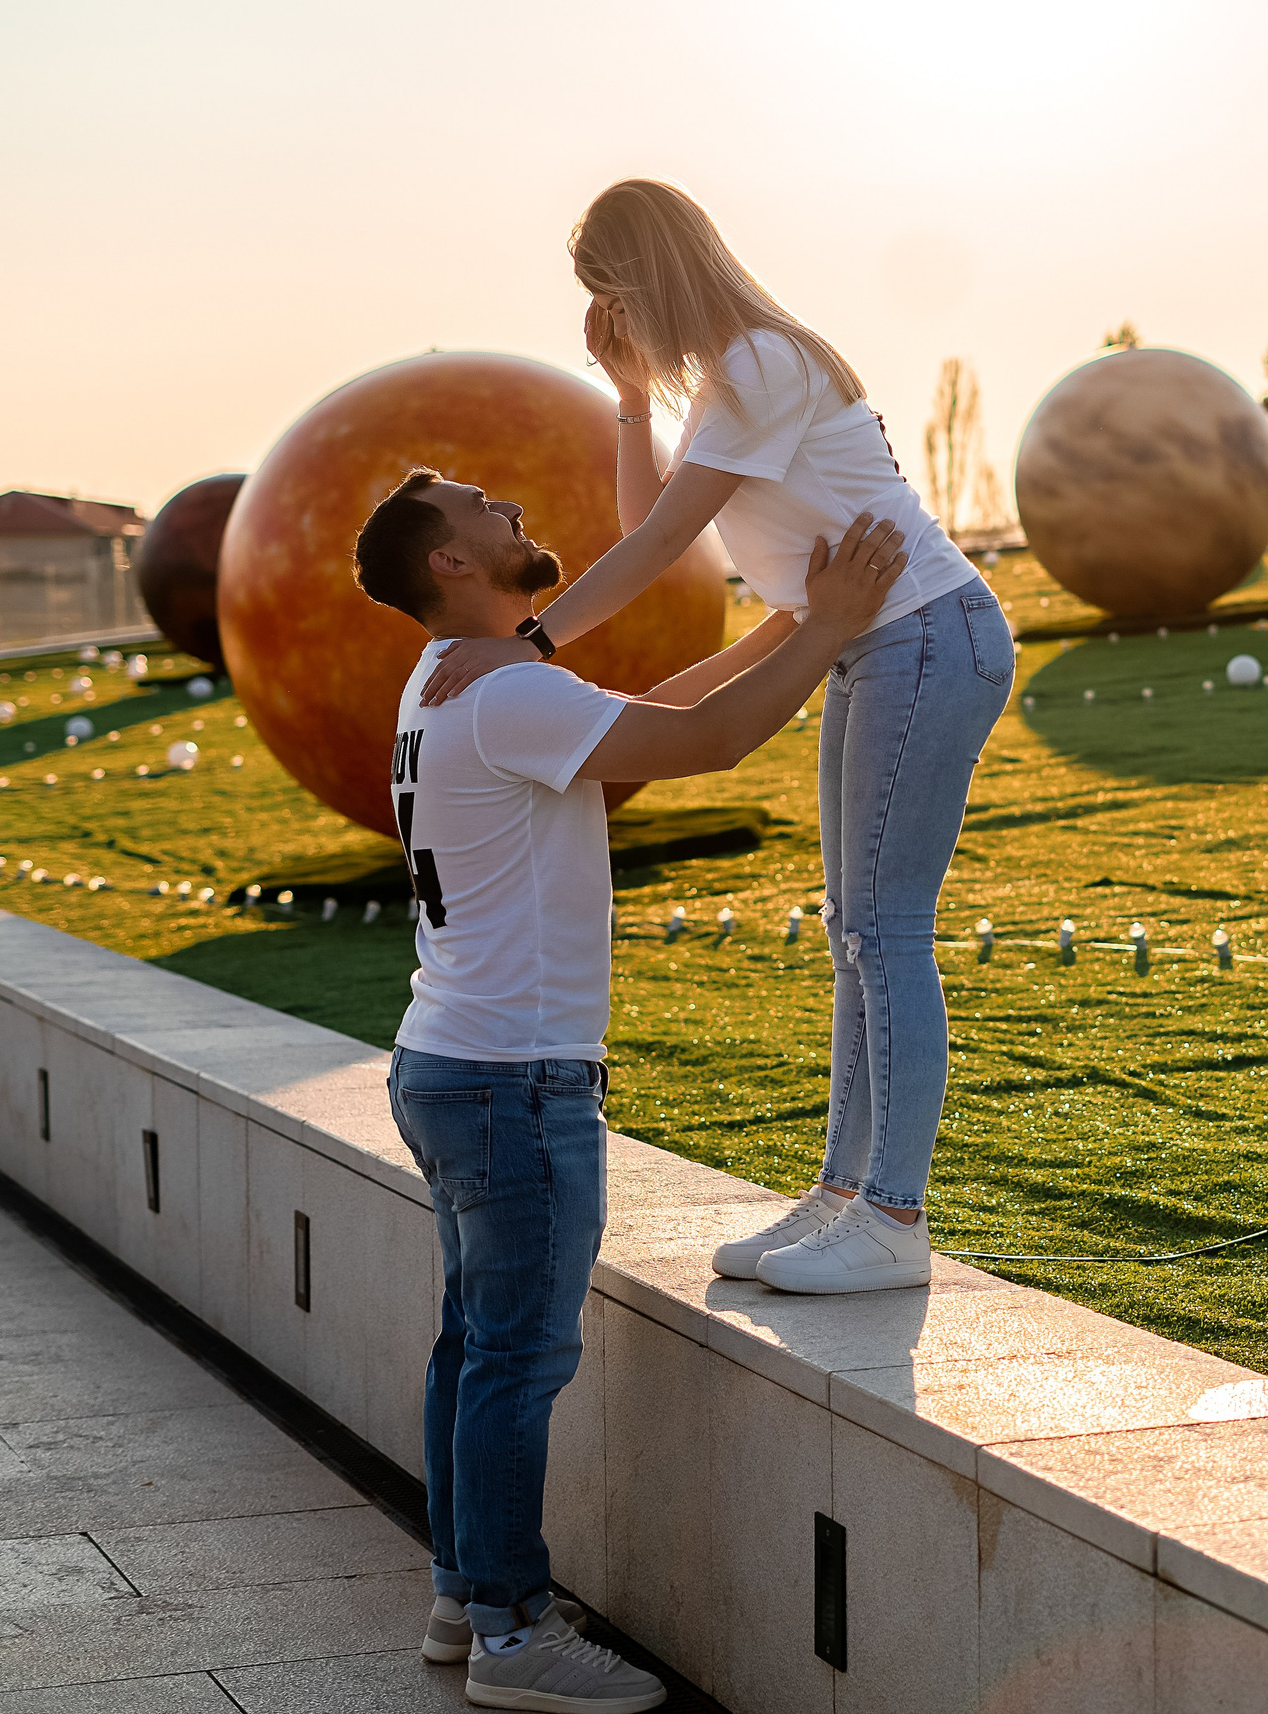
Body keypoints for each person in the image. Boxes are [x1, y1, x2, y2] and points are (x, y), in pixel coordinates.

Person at [357, 467, 907, 1712]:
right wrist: (825, 630)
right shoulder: (504, 694)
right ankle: (510, 1634)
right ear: (448, 564)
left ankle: (464, 1594)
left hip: (448, 1064)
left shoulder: (450, 680)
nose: (509, 509)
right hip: (509, 1082)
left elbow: (643, 710)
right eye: (480, 510)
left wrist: (785, 626)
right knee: (514, 1360)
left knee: (474, 1346)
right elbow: (704, 744)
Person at [419, 178, 1011, 1296]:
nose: (608, 315)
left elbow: (650, 553)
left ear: (640, 277)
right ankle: (845, 1195)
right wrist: (630, 394)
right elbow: (656, 527)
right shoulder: (735, 382)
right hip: (875, 642)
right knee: (855, 931)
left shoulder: (763, 366)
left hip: (927, 633)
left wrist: (528, 644)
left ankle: (892, 1215)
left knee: (884, 934)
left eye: (608, 295)